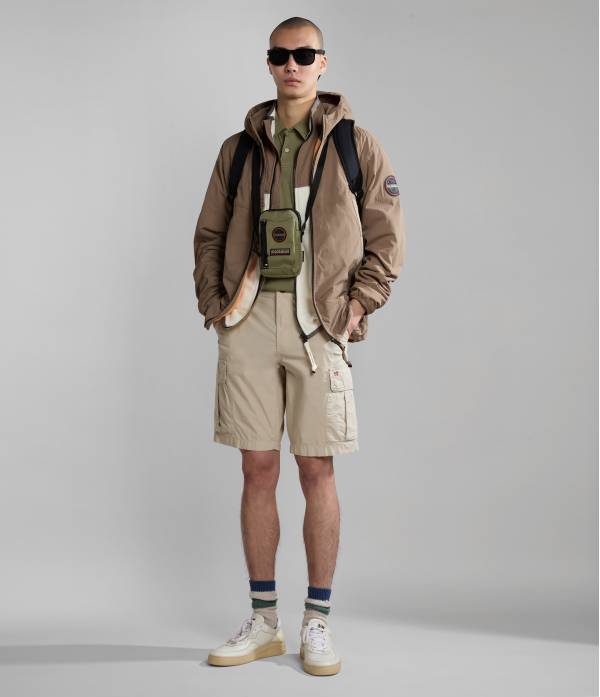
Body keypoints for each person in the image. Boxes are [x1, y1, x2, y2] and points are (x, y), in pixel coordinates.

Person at [193, 16, 405, 677]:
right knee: (257, 469)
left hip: (321, 325)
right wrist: (217, 307)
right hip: (249, 320)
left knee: (318, 472)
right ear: (268, 63)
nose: (293, 65)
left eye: (304, 55)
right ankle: (264, 622)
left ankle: (317, 621)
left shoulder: (354, 144)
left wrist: (355, 308)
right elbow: (209, 234)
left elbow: (387, 239)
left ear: (323, 62)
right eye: (281, 55)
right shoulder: (239, 149)